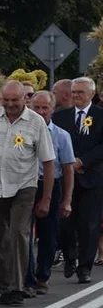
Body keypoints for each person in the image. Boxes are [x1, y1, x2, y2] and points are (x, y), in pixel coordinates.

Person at [0, 81, 55, 305]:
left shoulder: (36, 122)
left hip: (23, 186)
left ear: (24, 99)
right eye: (6, 101)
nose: (10, 105)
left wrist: (46, 198)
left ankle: (18, 287)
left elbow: (48, 162)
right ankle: (4, 288)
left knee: (18, 233)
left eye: (14, 100)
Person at [52, 77, 103, 283]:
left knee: (89, 224)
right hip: (66, 178)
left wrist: (83, 161)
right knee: (65, 222)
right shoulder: (61, 116)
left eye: (81, 92)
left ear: (92, 94)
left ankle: (85, 267)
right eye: (74, 92)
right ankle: (70, 257)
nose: (76, 96)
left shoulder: (100, 115)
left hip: (91, 178)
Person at [24, 91, 74, 295]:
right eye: (36, 107)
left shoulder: (61, 135)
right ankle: (27, 277)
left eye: (45, 108)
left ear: (53, 109)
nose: (40, 111)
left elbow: (68, 168)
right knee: (23, 233)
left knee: (48, 234)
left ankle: (42, 275)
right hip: (25, 185)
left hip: (51, 184)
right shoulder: (22, 132)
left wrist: (67, 200)